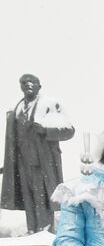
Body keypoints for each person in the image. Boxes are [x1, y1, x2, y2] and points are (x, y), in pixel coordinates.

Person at [2, 74, 75, 233]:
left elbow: (69, 131)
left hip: (43, 163)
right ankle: (32, 232)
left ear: (39, 86)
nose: (28, 84)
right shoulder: (16, 108)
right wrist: (8, 165)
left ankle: (45, 232)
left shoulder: (49, 104)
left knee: (43, 201)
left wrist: (46, 130)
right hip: (22, 164)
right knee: (28, 201)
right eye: (23, 82)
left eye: (32, 82)